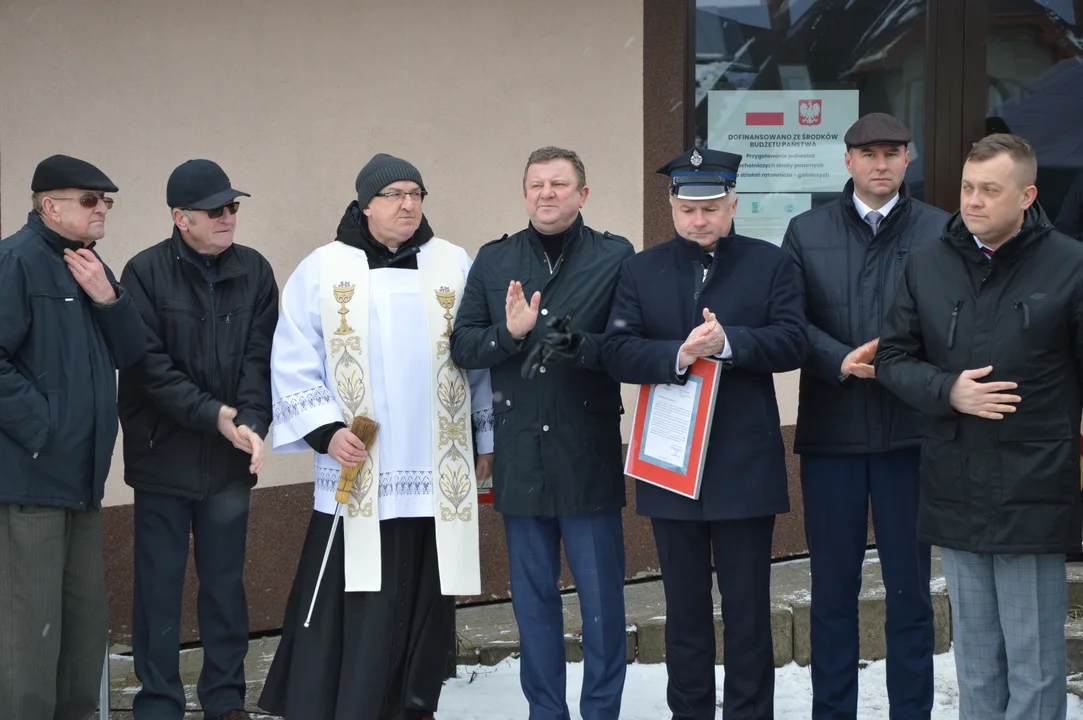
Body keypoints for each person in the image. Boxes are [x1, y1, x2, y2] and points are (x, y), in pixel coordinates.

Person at [259, 153, 494, 720]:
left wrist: (485, 437)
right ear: (365, 205)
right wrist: (326, 432)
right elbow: (292, 357)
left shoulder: (453, 263)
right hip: (359, 463)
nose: (409, 204)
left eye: (416, 193)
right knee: (355, 592)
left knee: (422, 591)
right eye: (394, 194)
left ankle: (411, 702)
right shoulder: (323, 267)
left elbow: (479, 357)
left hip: (438, 465)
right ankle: (338, 702)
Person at [876, 133, 1083, 720]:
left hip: (1033, 489)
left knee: (1035, 665)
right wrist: (949, 391)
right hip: (955, 482)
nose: (972, 201)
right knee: (975, 661)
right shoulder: (928, 263)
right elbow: (893, 358)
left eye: (990, 190)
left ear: (1027, 195)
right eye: (967, 187)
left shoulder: (1070, 264)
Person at [602, 147, 806, 720]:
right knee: (684, 612)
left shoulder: (770, 263)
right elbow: (616, 350)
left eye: (712, 207)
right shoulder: (640, 269)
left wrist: (730, 342)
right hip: (670, 465)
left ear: (734, 203)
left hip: (744, 464)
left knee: (747, 613)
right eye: (689, 208)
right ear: (670, 206)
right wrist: (678, 353)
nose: (699, 220)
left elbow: (793, 340)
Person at [450, 146, 634, 720]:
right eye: (536, 184)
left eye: (559, 183)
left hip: (587, 451)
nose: (546, 193)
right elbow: (462, 346)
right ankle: (545, 712)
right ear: (524, 193)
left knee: (602, 603)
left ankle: (602, 711)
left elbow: (631, 344)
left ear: (584, 193)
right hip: (522, 455)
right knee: (533, 605)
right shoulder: (494, 259)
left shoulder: (615, 256)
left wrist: (585, 346)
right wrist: (507, 334)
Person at [780, 113, 946, 719]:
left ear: (909, 159)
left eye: (893, 152)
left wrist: (901, 364)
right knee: (832, 594)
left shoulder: (940, 229)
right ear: (846, 161)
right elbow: (789, 320)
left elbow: (954, 320)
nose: (881, 163)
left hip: (911, 434)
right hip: (833, 433)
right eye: (868, 153)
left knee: (909, 594)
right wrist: (840, 359)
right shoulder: (806, 230)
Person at [117, 159, 278, 720]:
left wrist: (253, 424)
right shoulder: (143, 273)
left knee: (225, 587)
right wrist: (216, 415)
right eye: (216, 209)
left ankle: (225, 699)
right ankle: (158, 702)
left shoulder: (255, 270)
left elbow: (261, 360)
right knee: (159, 588)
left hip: (229, 459)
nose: (228, 216)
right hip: (163, 456)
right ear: (181, 217)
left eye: (233, 206)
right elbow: (147, 369)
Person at [0, 154, 145, 720]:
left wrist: (109, 299)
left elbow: (132, 353)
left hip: (83, 480)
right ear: (48, 205)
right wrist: (44, 430)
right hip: (32, 479)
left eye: (106, 201)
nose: (102, 208)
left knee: (82, 632)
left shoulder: (88, 264)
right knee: (29, 636)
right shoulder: (16, 261)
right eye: (89, 200)